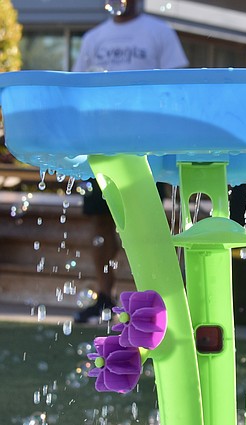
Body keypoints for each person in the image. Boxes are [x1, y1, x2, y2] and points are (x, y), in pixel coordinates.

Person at [73, 0, 188, 323]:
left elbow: (177, 85)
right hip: (102, 142)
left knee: (146, 218)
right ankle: (104, 297)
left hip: (146, 144)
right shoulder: (94, 37)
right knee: (101, 220)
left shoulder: (159, 32)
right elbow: (81, 88)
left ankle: (151, 299)